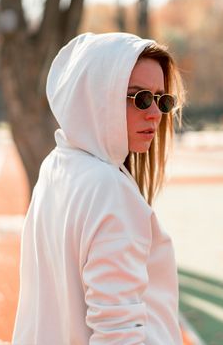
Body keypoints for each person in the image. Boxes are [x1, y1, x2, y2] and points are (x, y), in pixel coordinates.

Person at [12, 32, 185, 344]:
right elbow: (117, 334)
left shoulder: (57, 166)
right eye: (140, 97)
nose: (155, 113)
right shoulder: (109, 191)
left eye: (162, 99)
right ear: (96, 96)